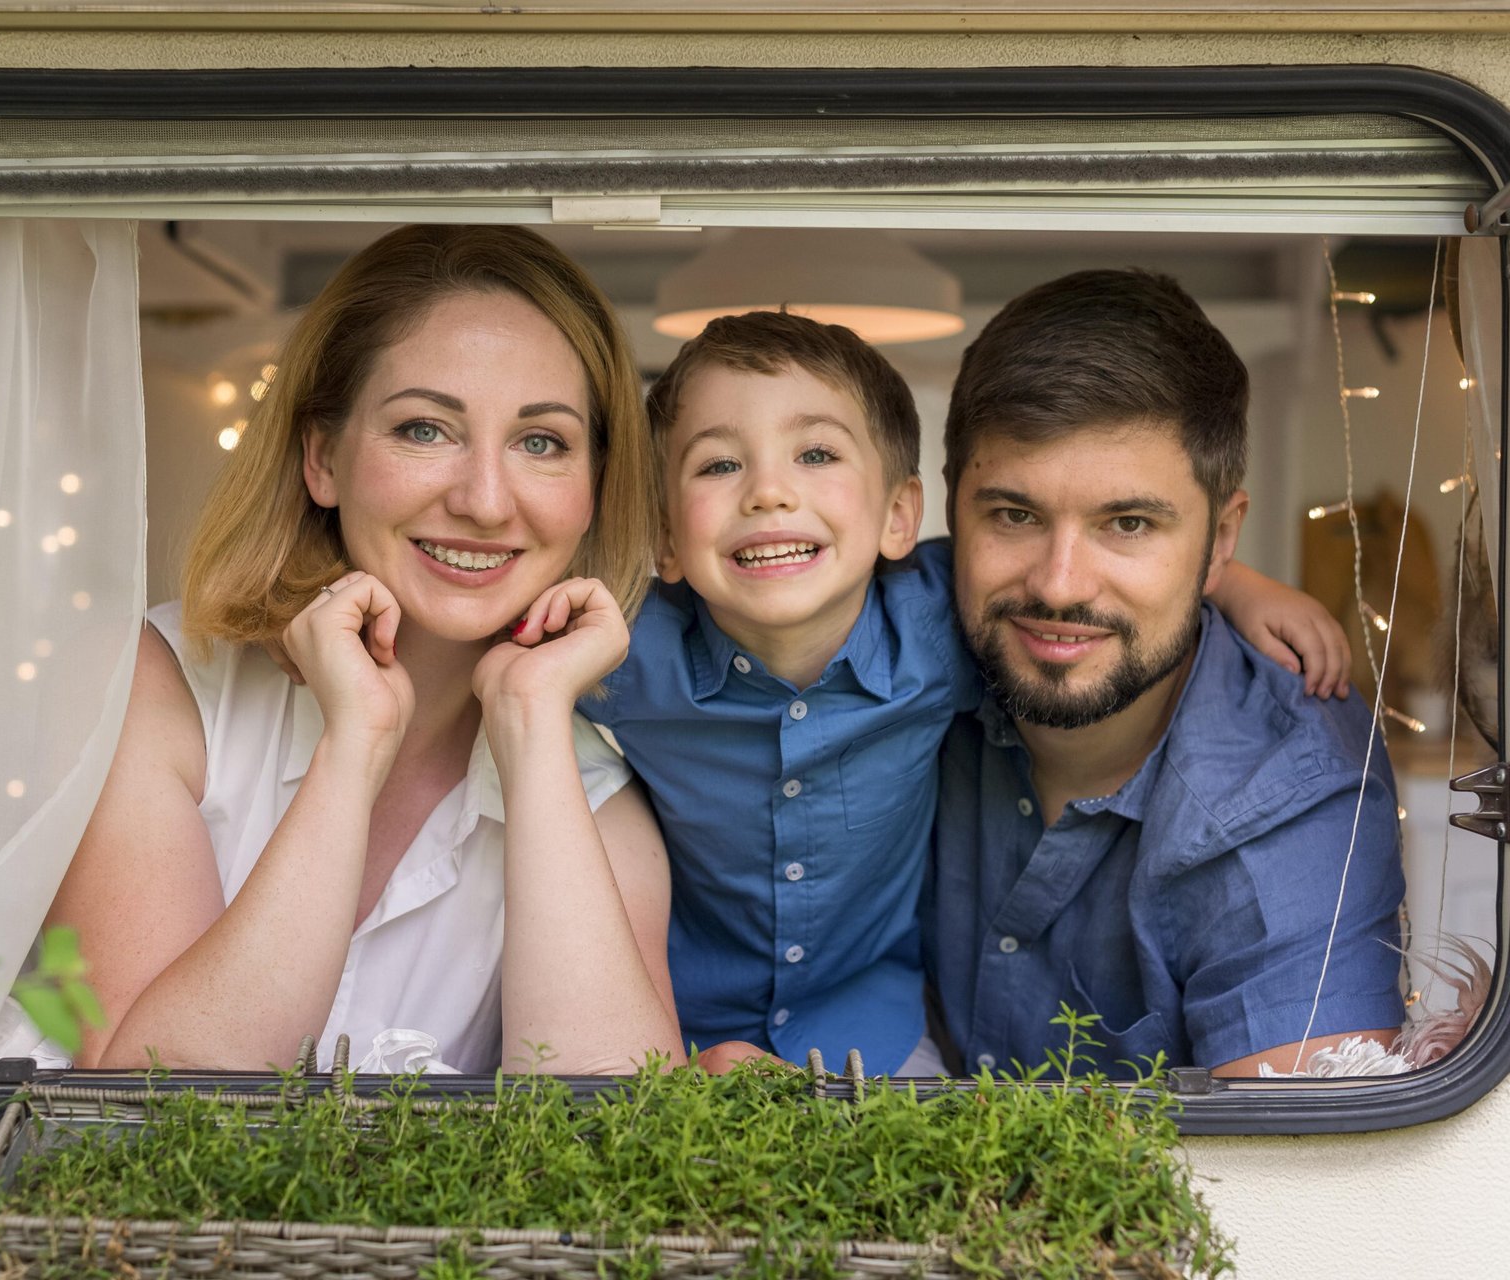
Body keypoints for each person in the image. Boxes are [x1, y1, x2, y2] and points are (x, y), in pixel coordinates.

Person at [564, 307, 1350, 1076]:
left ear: (900, 516)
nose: (768, 493)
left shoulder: (945, 620)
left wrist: (1234, 585)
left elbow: (1090, 599)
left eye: (815, 456)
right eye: (719, 464)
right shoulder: (616, 651)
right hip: (679, 1032)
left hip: (874, 1036)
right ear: (664, 534)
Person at [29, 224, 684, 1074]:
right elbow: (144, 1102)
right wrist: (355, 747)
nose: (486, 500)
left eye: (541, 442)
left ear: (593, 488)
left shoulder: (599, 802)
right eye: (424, 430)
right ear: (322, 460)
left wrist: (531, 720)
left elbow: (619, 1150)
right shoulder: (153, 691)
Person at [927, 268, 1406, 1078]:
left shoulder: (1291, 792)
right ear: (948, 509)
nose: (1058, 584)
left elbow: (1302, 1185)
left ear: (1222, 540)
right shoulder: (896, 632)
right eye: (1014, 515)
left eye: (1129, 524)